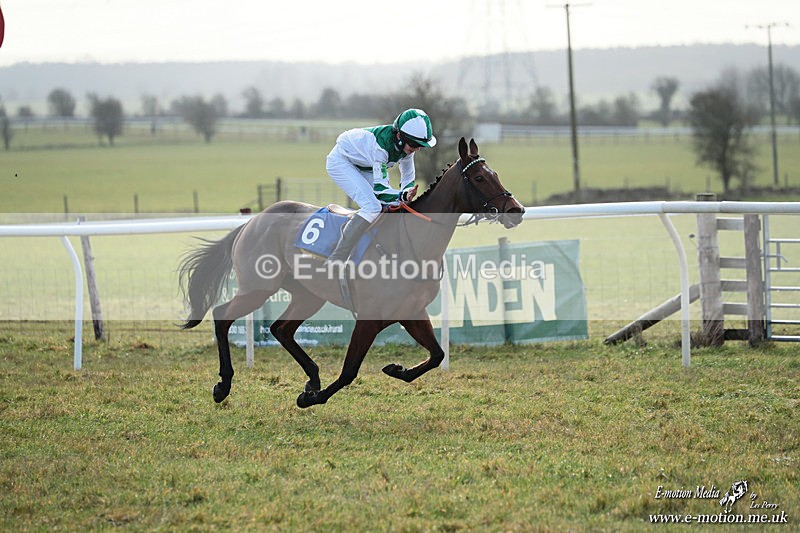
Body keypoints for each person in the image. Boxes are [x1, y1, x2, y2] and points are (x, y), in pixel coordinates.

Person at [324, 108, 437, 265]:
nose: (416, 149)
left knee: (395, 204)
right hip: (341, 162)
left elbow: (408, 178)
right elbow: (381, 191)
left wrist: (405, 195)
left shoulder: (407, 148)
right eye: (413, 144)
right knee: (372, 207)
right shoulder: (381, 147)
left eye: (420, 146)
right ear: (399, 136)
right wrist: (402, 196)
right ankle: (337, 257)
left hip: (365, 165)